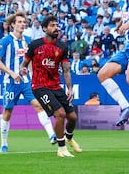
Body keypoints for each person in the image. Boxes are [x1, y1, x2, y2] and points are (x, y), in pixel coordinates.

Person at [0, 13, 56, 153]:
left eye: (24, 22)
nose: (23, 24)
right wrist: (11, 73)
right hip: (11, 82)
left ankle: (51, 135)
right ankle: (3, 143)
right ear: (13, 25)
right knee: (8, 112)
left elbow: (32, 60)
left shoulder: (28, 41)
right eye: (19, 22)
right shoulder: (6, 41)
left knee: (39, 105)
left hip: (26, 82)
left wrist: (33, 74)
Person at [20, 15, 82, 158]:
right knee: (60, 114)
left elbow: (66, 70)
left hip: (55, 86)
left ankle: (69, 138)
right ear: (44, 28)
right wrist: (22, 69)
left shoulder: (62, 47)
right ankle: (61, 149)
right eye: (52, 25)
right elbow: (24, 64)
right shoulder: (35, 45)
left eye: (57, 25)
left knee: (72, 117)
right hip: (39, 86)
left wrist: (70, 88)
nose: (56, 28)